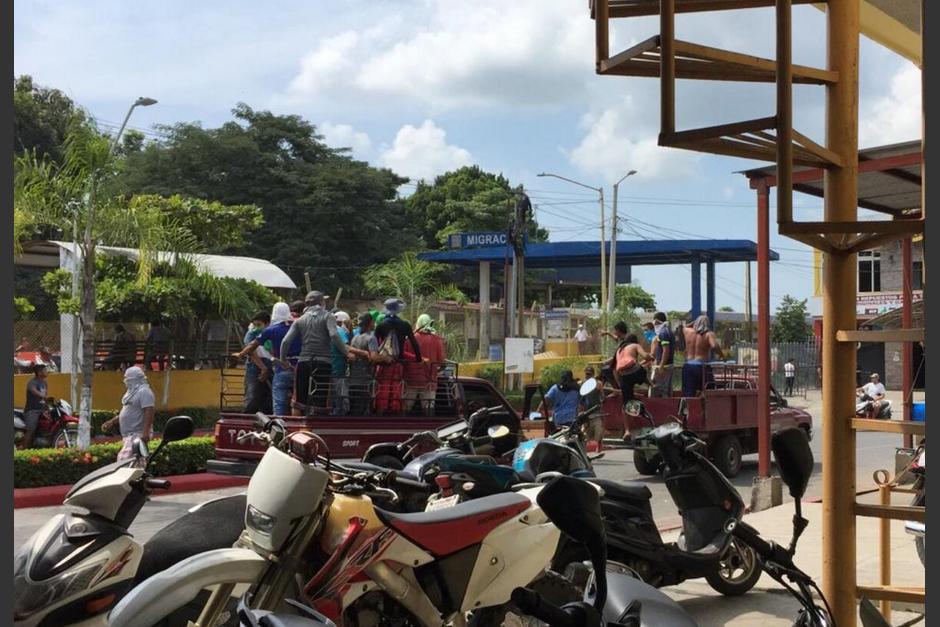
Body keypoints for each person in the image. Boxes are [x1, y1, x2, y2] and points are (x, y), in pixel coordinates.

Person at [281, 291, 352, 415]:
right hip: (323, 363)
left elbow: (285, 341)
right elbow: (334, 335)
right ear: (322, 302)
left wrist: (283, 359)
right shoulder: (328, 316)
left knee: (298, 401)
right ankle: (317, 428)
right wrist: (346, 353)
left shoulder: (299, 320)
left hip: (303, 362)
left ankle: (297, 428)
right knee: (321, 400)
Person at [233, 303, 299, 416]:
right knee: (296, 401)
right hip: (297, 369)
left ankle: (278, 425)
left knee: (278, 402)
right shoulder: (298, 327)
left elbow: (252, 346)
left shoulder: (271, 330)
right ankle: (297, 426)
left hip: (281, 369)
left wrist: (240, 354)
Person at [373, 298, 423, 415]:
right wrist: (418, 359)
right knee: (396, 386)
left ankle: (381, 410)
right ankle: (394, 410)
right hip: (399, 362)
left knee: (384, 387)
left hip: (384, 363)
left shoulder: (381, 325)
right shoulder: (405, 325)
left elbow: (375, 344)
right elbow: (414, 343)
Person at [102, 366, 155, 461]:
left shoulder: (144, 392)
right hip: (128, 435)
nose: (125, 381)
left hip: (137, 433)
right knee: (136, 462)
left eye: (128, 378)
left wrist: (145, 432)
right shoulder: (130, 393)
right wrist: (112, 422)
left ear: (135, 379)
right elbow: (126, 411)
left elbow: (149, 411)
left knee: (124, 460)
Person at [403, 314, 446, 415]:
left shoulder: (409, 338)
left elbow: (403, 356)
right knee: (428, 411)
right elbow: (441, 361)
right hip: (429, 382)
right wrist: (435, 371)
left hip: (410, 381)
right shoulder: (437, 339)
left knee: (404, 409)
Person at [349, 313, 386, 415]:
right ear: (370, 323)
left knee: (354, 411)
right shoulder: (371, 338)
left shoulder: (355, 338)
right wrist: (385, 359)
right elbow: (374, 357)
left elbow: (350, 356)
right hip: (365, 380)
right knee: (363, 412)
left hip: (353, 379)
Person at [681, 314, 725, 397]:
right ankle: (705, 409)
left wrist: (695, 322)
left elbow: (684, 326)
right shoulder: (709, 334)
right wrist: (721, 354)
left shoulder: (687, 331)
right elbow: (714, 346)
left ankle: (689, 409)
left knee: (688, 393)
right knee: (708, 390)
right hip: (702, 367)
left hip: (688, 365)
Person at [240, 311, 272, 412]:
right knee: (252, 394)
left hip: (269, 364)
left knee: (268, 395)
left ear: (267, 324)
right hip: (254, 365)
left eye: (259, 325)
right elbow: (250, 352)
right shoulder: (251, 333)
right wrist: (263, 368)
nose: (256, 327)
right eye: (255, 324)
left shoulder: (271, 332)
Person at [614, 334, 652, 402]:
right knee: (643, 371)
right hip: (635, 372)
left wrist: (619, 382)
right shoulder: (635, 345)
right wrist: (651, 357)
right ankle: (650, 384)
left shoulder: (619, 349)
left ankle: (629, 406)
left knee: (628, 398)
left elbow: (616, 366)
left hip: (623, 375)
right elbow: (645, 356)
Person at [21, 364, 48, 449]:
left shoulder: (45, 383)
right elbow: (35, 392)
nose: (47, 372)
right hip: (32, 410)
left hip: (41, 410)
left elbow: (45, 397)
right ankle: (23, 450)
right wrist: (43, 396)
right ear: (39, 372)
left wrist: (46, 408)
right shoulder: (32, 383)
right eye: (45, 370)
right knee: (31, 429)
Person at [330, 311, 352, 416]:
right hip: (338, 369)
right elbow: (346, 347)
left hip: (327, 368)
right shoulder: (339, 331)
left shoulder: (325, 330)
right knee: (341, 398)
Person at [649, 312, 675, 398]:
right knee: (666, 389)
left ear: (656, 321)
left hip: (664, 366)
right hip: (668, 365)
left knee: (657, 390)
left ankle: (659, 409)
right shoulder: (668, 331)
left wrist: (661, 366)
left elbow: (666, 350)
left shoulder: (663, 333)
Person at [581, 365, 605, 452]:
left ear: (593, 374)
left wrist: (601, 398)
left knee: (598, 431)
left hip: (596, 411)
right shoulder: (583, 384)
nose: (587, 376)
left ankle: (599, 444)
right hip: (586, 413)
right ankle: (583, 452)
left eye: (589, 374)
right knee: (585, 434)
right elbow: (581, 399)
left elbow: (602, 396)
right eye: (586, 374)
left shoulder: (598, 383)